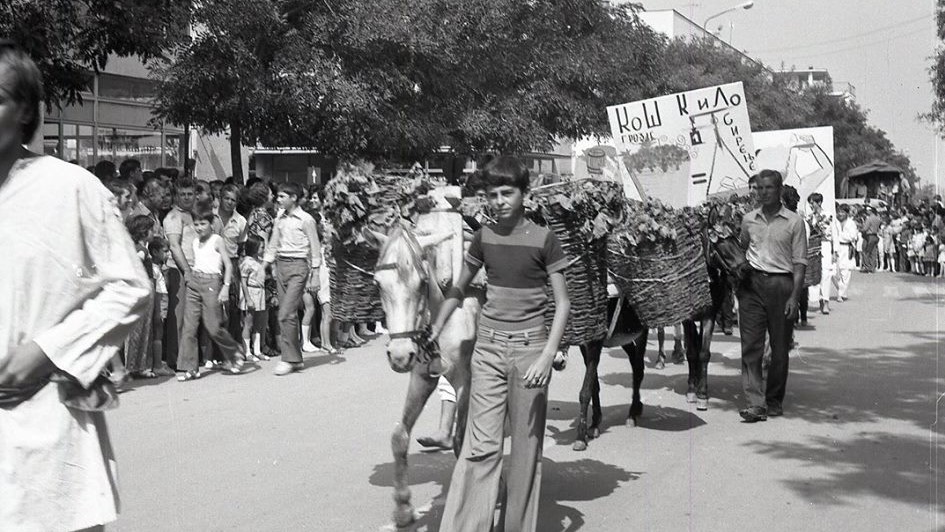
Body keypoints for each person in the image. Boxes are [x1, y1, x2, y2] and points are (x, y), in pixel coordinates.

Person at [0, 41, 152, 531]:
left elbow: (130, 286)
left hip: (44, 428)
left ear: (25, 109)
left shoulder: (69, 188)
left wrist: (45, 351)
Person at [433, 155, 570, 531]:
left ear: (524, 193)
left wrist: (546, 355)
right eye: (492, 194)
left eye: (507, 193)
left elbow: (563, 304)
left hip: (531, 353)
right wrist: (436, 326)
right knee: (481, 447)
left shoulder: (545, 240)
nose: (499, 201)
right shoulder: (484, 236)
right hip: (489, 351)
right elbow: (459, 287)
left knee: (525, 453)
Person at [736, 169, 807, 423]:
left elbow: (800, 263)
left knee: (778, 349)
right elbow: (743, 247)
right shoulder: (748, 220)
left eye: (768, 188)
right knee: (750, 347)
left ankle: (774, 400)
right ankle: (756, 403)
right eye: (759, 188)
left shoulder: (794, 222)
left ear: (779, 190)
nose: (763, 192)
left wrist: (794, 298)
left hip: (782, 286)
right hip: (752, 286)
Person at [177, 208, 246, 381]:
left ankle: (235, 352)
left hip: (212, 283)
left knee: (213, 327)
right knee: (189, 327)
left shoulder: (217, 240)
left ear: (211, 224)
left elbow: (228, 265)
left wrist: (225, 287)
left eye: (203, 224)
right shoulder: (194, 242)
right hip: (195, 282)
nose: (199, 228)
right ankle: (191, 368)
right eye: (196, 224)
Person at [263, 182, 322, 376]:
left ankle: (287, 359)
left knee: (285, 312)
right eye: (277, 196)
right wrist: (266, 265)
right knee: (289, 314)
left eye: (282, 196)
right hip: (281, 265)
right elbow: (273, 243)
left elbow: (315, 247)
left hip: (299, 266)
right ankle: (296, 358)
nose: (278, 200)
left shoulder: (306, 220)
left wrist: (315, 275)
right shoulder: (279, 218)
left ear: (293, 198)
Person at [162, 178, 198, 371]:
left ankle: (187, 358)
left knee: (190, 318)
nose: (186, 197)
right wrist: (186, 271)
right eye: (182, 194)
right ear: (176, 196)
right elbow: (175, 246)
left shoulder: (192, 215)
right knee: (178, 317)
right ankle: (177, 360)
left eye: (190, 194)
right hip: (179, 270)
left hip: (195, 268)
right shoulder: (173, 218)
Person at [123, 215, 157, 378]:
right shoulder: (141, 250)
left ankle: (138, 366)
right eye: (151, 229)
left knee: (144, 328)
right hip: (142, 288)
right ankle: (132, 366)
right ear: (144, 232)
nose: (153, 232)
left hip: (146, 288)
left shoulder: (141, 248)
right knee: (137, 330)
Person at [240, 235, 270, 362]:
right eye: (262, 247)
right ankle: (247, 351)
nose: (263, 249)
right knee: (248, 323)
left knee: (258, 324)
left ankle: (257, 350)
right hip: (251, 292)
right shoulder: (247, 262)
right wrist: (248, 298)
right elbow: (243, 280)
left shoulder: (259, 261)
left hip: (260, 292)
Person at [806, 193, 833, 314]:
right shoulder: (809, 217)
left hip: (825, 244)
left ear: (819, 202)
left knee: (826, 273)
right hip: (813, 246)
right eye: (810, 203)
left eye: (813, 203)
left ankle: (825, 301)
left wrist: (835, 251)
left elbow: (828, 231)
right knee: (814, 272)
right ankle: (816, 299)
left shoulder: (827, 215)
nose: (811, 205)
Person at [831, 204, 859, 302]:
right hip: (836, 248)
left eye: (842, 212)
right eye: (839, 212)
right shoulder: (834, 222)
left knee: (845, 272)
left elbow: (852, 236)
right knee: (832, 271)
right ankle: (841, 290)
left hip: (847, 248)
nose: (840, 214)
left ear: (847, 213)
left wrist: (839, 236)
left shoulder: (851, 223)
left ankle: (841, 294)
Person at [859, 206, 881, 273]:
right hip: (875, 235)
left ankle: (867, 267)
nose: (867, 212)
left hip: (868, 236)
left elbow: (865, 229)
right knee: (873, 252)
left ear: (870, 211)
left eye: (867, 210)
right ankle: (872, 267)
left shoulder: (869, 219)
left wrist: (860, 229)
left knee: (866, 251)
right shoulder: (878, 218)